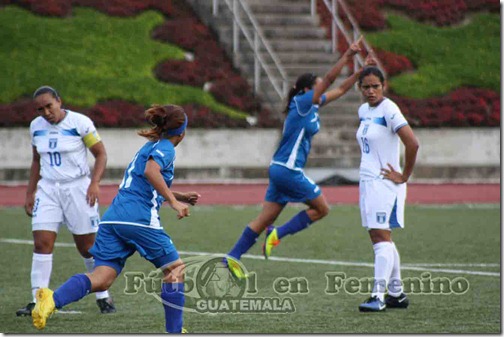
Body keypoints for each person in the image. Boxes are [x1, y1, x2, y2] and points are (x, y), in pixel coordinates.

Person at [31, 104, 200, 333]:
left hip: (113, 220)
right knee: (175, 270)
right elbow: (151, 172)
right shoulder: (167, 148)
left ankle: (51, 300)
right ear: (182, 132)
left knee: (102, 278)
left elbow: (141, 183)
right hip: (138, 219)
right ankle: (174, 331)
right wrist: (173, 201)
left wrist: (179, 195)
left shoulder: (148, 146)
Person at [224, 37, 367, 278]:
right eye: (318, 86)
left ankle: (232, 258)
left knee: (263, 219)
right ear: (304, 90)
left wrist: (361, 72)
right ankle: (277, 234)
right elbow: (332, 80)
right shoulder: (302, 103)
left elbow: (341, 89)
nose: (322, 88)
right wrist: (348, 55)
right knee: (322, 209)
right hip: (289, 170)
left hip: (280, 168)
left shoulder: (313, 105)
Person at [17, 86, 115, 316]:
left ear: (59, 101)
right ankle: (37, 299)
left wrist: (95, 183)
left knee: (88, 248)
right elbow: (35, 160)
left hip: (78, 188)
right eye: (40, 109)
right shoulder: (35, 127)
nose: (46, 112)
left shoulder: (80, 123)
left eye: (49, 106)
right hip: (48, 190)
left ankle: (102, 295)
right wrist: (30, 192)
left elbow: (101, 154)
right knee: (42, 243)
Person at [355, 67, 419, 312]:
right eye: (366, 87)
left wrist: (403, 175)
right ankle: (396, 294)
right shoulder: (364, 110)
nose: (371, 91)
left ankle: (377, 296)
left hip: (384, 183)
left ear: (384, 86)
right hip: (368, 182)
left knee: (380, 236)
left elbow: (412, 143)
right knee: (381, 237)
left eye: (375, 86)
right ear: (360, 89)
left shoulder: (389, 109)